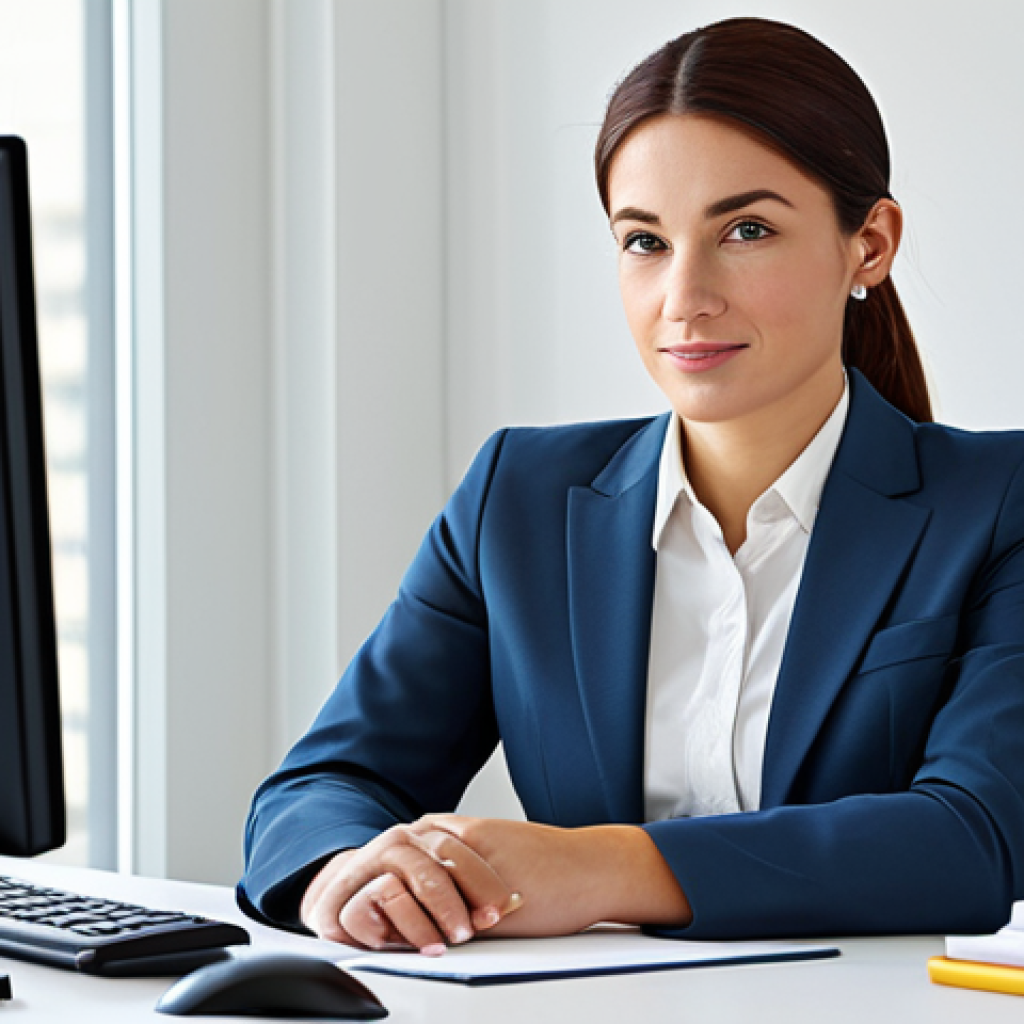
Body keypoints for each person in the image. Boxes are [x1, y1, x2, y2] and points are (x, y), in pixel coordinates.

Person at [238, 17, 1024, 952]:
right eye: (644, 241)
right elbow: (324, 786)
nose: (685, 294)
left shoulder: (997, 500)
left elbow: (971, 839)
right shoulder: (517, 499)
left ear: (871, 244)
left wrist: (598, 866)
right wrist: (348, 873)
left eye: (746, 230)